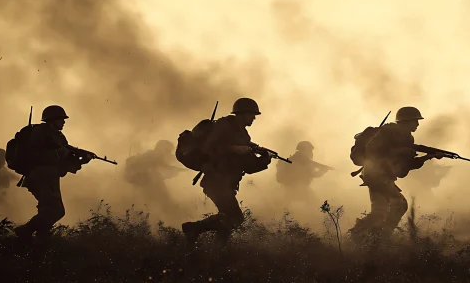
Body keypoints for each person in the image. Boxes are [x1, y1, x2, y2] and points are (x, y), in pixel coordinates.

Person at [181, 98, 272, 245]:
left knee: (229, 220)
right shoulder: (224, 126)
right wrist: (234, 148)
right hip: (215, 181)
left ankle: (219, 249)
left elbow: (248, 167)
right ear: (241, 114)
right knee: (235, 219)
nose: (254, 118)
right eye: (252, 114)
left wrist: (264, 159)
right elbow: (209, 148)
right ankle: (193, 228)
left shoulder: (243, 135)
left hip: (225, 183)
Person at [348, 106, 444, 240]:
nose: (417, 124)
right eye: (415, 121)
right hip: (376, 175)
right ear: (406, 121)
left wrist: (428, 156)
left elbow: (407, 164)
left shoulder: (405, 138)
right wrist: (402, 151)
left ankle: (361, 234)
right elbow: (374, 152)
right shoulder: (388, 132)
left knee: (378, 212)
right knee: (400, 204)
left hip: (379, 176)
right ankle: (382, 237)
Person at [14, 105, 92, 238]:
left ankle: (40, 240)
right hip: (40, 175)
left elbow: (65, 161)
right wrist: (60, 153)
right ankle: (24, 231)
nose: (64, 122)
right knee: (56, 210)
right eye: (61, 119)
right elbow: (34, 154)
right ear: (52, 119)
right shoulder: (40, 132)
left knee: (48, 210)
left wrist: (82, 159)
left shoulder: (59, 136)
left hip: (48, 176)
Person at [124, 140, 186, 216]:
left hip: (144, 185)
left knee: (148, 209)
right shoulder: (154, 156)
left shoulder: (150, 156)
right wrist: (175, 170)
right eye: (168, 150)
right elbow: (163, 169)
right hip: (149, 185)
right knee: (167, 206)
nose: (169, 152)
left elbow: (162, 169)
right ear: (162, 148)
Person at [275, 141, 332, 206]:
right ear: (303, 151)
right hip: (297, 190)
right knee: (318, 206)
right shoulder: (300, 162)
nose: (311, 153)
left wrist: (323, 170)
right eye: (309, 151)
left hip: (291, 190)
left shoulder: (298, 161)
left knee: (285, 209)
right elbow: (313, 174)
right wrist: (323, 171)